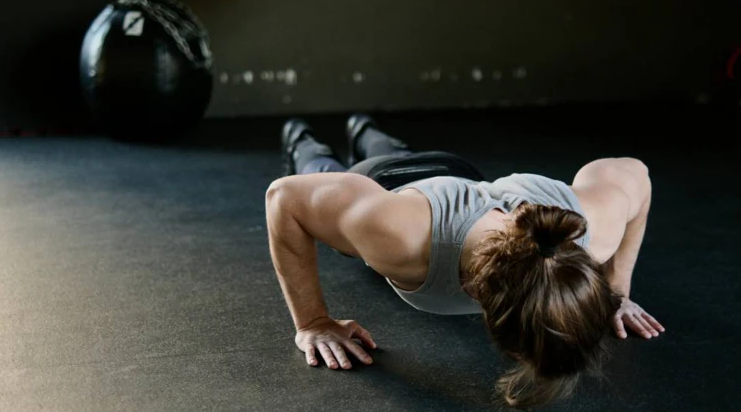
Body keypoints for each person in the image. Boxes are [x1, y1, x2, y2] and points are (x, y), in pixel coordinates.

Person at [265, 114, 665, 408]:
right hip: (386, 183)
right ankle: (302, 137)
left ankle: (364, 128)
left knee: (399, 150)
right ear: (476, 294)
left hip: (456, 173)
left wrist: (615, 292)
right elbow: (285, 198)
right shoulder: (396, 237)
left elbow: (637, 174)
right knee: (321, 171)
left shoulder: (593, 229)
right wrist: (313, 322)